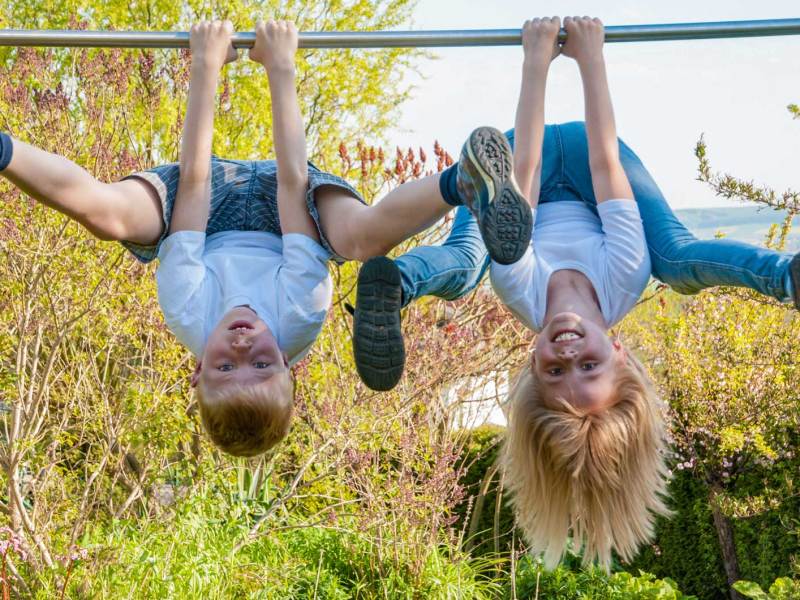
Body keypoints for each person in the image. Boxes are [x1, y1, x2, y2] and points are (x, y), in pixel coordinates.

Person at [353, 15, 799, 569]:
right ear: (619, 352)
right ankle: (788, 276)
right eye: (588, 366)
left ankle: (395, 284)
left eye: (555, 372)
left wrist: (535, 61)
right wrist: (590, 59)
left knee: (473, 260)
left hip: (517, 165)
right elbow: (605, 161)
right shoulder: (625, 276)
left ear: (530, 365)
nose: (567, 355)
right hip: (595, 161)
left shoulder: (519, 289)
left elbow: (526, 174)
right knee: (677, 260)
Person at [0, 19, 532, 456]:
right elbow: (292, 182)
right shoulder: (299, 314)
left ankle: (4, 149)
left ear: (195, 371)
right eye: (261, 363)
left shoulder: (187, 312)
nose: (242, 346)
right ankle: (460, 182)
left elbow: (195, 180)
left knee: (110, 217)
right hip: (287, 212)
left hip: (203, 210)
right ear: (290, 366)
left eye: (225, 366)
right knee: (361, 239)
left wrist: (206, 67)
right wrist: (281, 67)